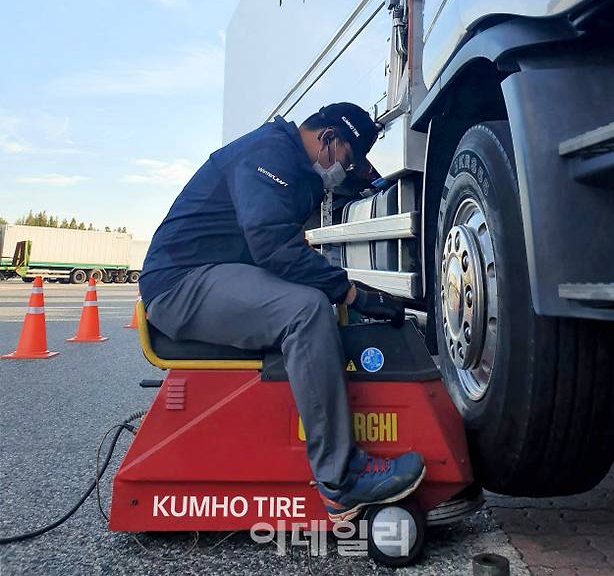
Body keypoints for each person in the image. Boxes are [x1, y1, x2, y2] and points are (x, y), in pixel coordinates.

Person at [139, 102, 425, 522]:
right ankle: (341, 481)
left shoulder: (292, 161)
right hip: (180, 284)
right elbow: (271, 244)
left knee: (312, 297)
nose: (344, 171)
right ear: (327, 140)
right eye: (346, 159)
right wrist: (349, 293)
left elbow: (286, 244)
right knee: (305, 310)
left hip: (212, 273)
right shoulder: (269, 154)